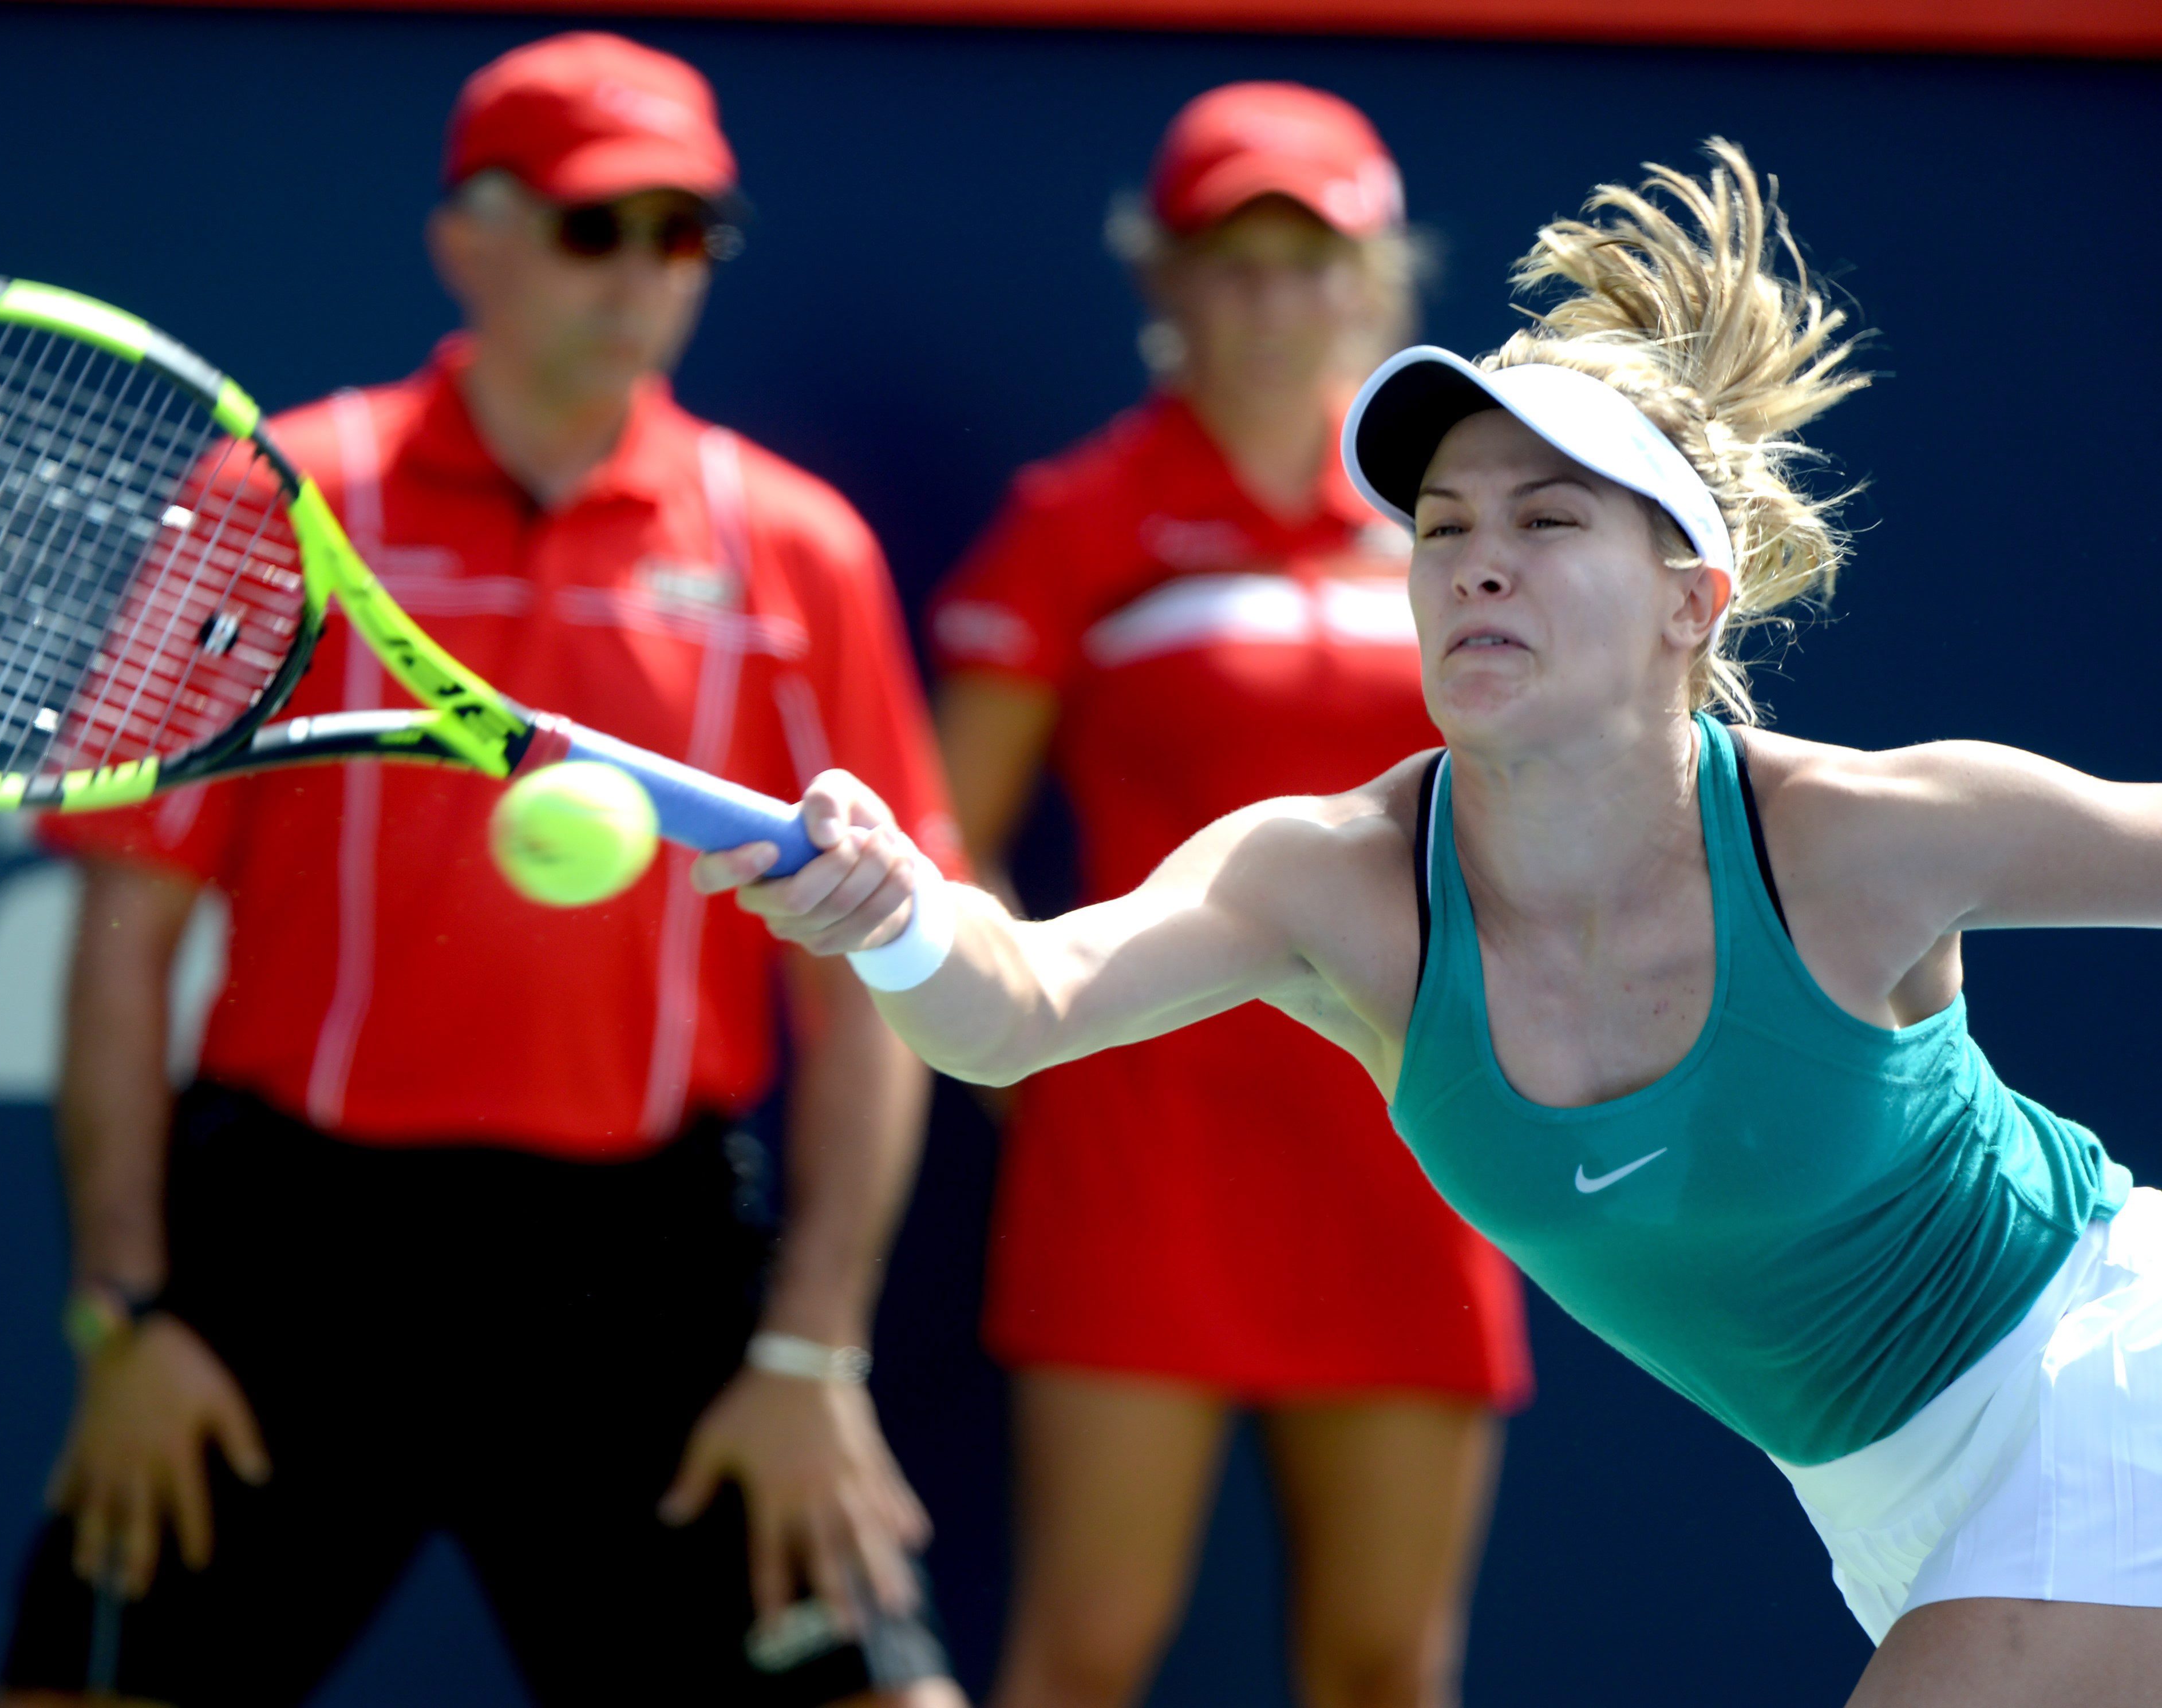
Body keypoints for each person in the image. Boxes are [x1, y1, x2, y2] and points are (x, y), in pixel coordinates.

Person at [705, 140, 2162, 1706]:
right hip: (1878, 1506)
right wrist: (894, 919)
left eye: (1546, 526)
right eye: (1444, 527)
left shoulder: (1865, 838)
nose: (1478, 565)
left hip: (2102, 1376)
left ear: (1693, 603)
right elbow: (1018, 1005)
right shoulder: (1327, 880)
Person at [0, 32, 969, 1708]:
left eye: (684, 236)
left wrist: (812, 1351)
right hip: (298, 1253)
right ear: (471, 238)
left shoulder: (795, 551)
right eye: (599, 227)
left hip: (644, 1264)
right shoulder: (277, 502)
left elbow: (876, 977)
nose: (646, 276)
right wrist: (123, 1314)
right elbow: (124, 933)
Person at [926, 84, 1525, 1708]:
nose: (1272, 303)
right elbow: (945, 839)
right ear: (1167, 281)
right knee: (1085, 1657)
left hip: (1418, 1147)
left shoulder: (1453, 529)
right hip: (1142, 1157)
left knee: (1387, 1671)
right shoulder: (1076, 524)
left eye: (1310, 261)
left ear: (1376, 282)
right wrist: (1029, 1049)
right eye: (1233, 262)